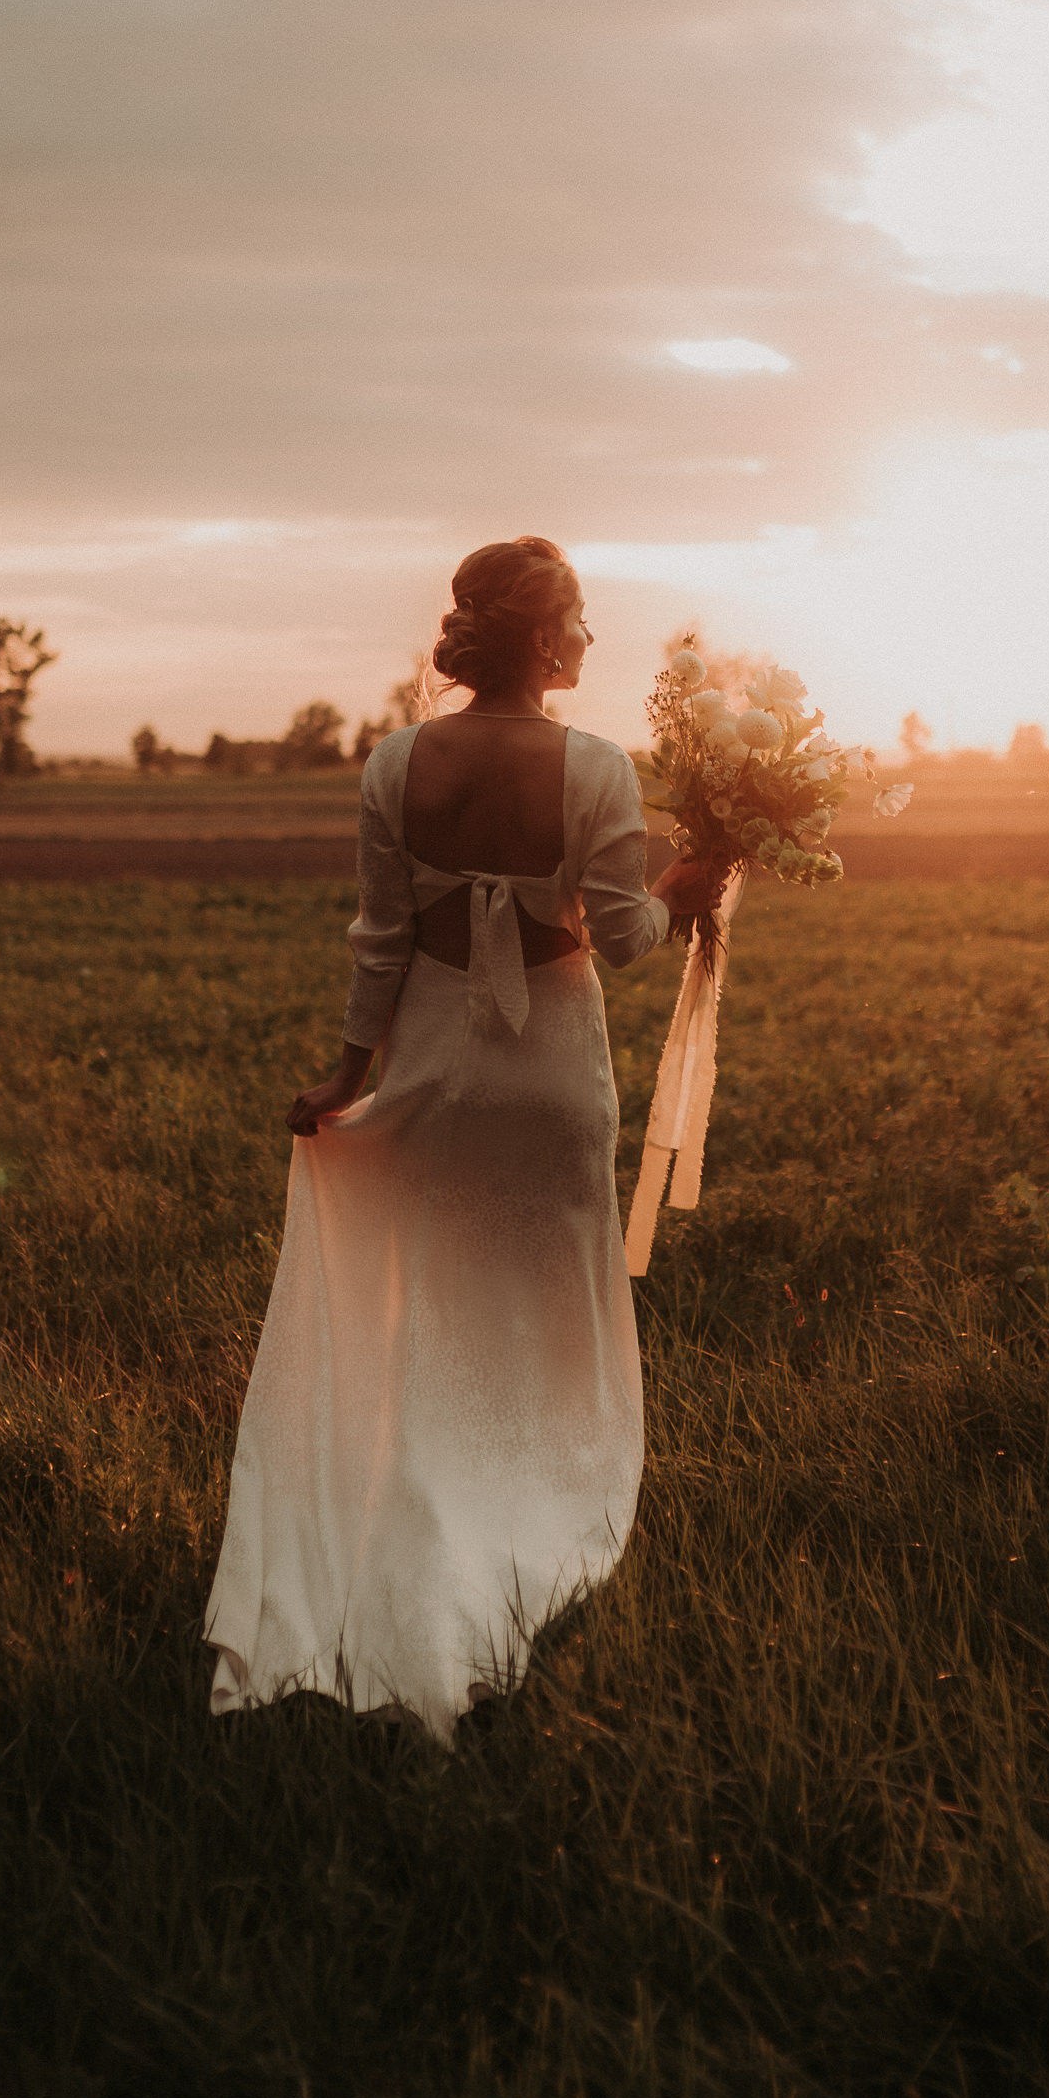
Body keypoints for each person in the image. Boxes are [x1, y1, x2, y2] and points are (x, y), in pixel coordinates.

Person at [202, 535, 724, 1741]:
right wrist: (693, 883)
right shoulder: (596, 767)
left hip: (437, 1075)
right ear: (544, 639)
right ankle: (525, 1533)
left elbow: (381, 939)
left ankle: (424, 1535)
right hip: (549, 1082)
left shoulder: (395, 760)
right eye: (581, 618)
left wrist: (344, 1078)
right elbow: (630, 938)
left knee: (434, 1321)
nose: (592, 637)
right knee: (541, 1319)